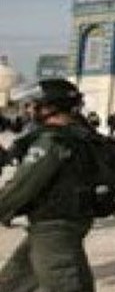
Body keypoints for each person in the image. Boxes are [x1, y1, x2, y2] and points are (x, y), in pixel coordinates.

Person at [0, 79, 96, 291]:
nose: (29, 110)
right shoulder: (80, 136)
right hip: (67, 222)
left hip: (54, 227)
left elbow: (22, 187)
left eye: (33, 105)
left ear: (49, 107)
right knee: (12, 282)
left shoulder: (51, 142)